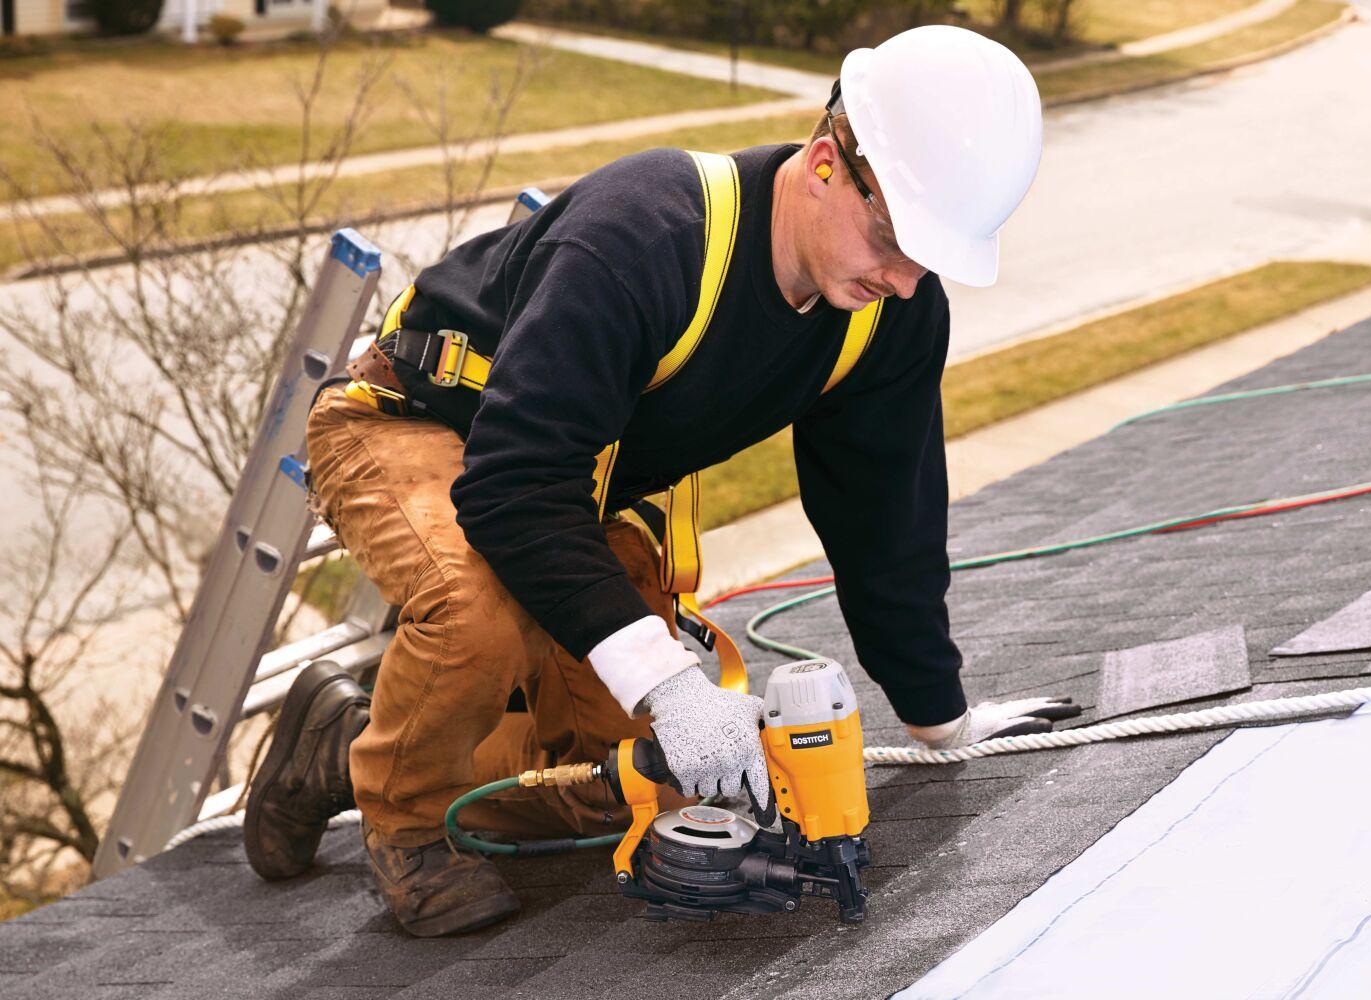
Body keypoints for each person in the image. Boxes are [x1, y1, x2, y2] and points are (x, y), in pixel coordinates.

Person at [243, 24, 1078, 937]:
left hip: (575, 482)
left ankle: (348, 749)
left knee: (629, 784)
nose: (907, 280)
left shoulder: (887, 314)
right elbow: (512, 488)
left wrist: (940, 722)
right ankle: (406, 827)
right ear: (831, 155)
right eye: (894, 239)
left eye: (932, 257)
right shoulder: (646, 235)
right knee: (476, 615)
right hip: (418, 420)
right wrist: (671, 685)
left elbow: (886, 517)